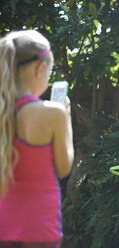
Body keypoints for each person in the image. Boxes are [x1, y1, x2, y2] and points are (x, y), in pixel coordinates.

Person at [0, 30, 74, 248]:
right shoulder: (53, 113)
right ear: (40, 68)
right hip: (40, 225)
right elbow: (63, 168)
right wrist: (66, 119)